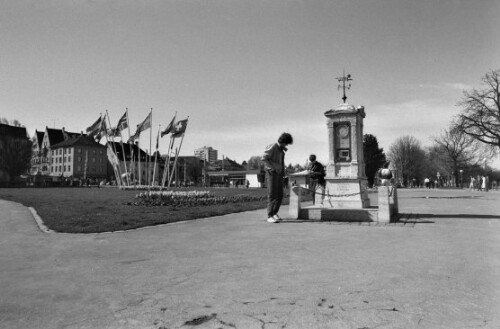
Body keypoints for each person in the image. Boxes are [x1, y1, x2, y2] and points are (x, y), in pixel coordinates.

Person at [261, 132, 293, 223]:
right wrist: (273, 168)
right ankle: (270, 215)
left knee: (279, 194)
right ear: (283, 141)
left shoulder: (281, 149)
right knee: (272, 194)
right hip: (272, 173)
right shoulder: (273, 146)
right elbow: (264, 158)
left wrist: (283, 171)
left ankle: (275, 213)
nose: (287, 145)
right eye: (286, 143)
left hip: (279, 174)